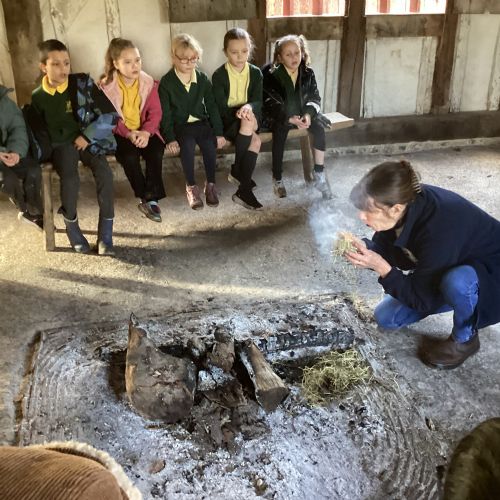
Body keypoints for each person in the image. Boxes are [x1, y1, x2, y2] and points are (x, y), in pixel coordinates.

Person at [344, 160, 500, 369]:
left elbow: (421, 300)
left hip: (491, 276)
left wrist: (382, 268)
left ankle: (465, 339)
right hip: (447, 263)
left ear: (395, 209)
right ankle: (459, 298)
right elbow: (389, 249)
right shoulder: (403, 203)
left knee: (457, 283)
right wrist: (367, 248)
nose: (361, 216)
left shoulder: (439, 227)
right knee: (386, 317)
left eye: (369, 210)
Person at [29, 39, 117, 255]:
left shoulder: (82, 85)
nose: (63, 69)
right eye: (56, 64)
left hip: (88, 140)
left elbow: (111, 115)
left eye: (66, 63)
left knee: (105, 174)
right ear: (43, 67)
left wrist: (87, 136)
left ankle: (106, 234)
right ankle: (72, 229)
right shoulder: (38, 96)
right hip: (61, 146)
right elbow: (40, 131)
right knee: (70, 179)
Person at [100, 38, 166, 223]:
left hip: (144, 130)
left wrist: (146, 132)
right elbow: (109, 117)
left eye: (137, 60)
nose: (135, 66)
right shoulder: (106, 87)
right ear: (116, 64)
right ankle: (145, 196)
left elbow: (155, 112)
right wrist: (128, 133)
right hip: (120, 133)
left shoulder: (148, 83)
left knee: (156, 150)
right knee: (129, 156)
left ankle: (151, 198)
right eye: (128, 62)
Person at [159, 34, 225, 210]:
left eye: (193, 58)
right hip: (181, 126)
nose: (189, 63)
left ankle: (211, 184)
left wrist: (219, 133)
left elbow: (212, 107)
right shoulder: (167, 82)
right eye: (184, 59)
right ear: (174, 58)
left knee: (209, 145)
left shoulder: (202, 79)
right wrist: (170, 138)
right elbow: (165, 114)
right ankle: (191, 187)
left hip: (201, 123)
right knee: (187, 146)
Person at [262, 34, 332, 199]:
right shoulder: (272, 75)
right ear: (280, 57)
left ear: (302, 52)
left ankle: (319, 173)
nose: (294, 57)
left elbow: (314, 97)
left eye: (297, 53)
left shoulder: (307, 73)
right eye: (288, 54)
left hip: (302, 115)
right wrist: (288, 118)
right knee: (280, 131)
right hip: (281, 116)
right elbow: (270, 103)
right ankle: (277, 177)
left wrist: (308, 114)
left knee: (319, 128)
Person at [212, 27, 263, 210]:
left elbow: (258, 100)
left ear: (250, 50)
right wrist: (238, 114)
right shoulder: (219, 75)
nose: (240, 56)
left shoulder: (255, 73)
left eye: (244, 51)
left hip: (249, 114)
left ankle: (238, 173)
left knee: (249, 122)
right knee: (255, 142)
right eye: (234, 52)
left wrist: (248, 107)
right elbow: (218, 108)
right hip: (228, 119)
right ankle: (243, 187)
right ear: (226, 52)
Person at [0, 84, 43, 230]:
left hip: (8, 152)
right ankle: (24, 210)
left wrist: (16, 152)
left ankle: (34, 212)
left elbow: (17, 128)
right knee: (7, 179)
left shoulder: (5, 103)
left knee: (33, 170)